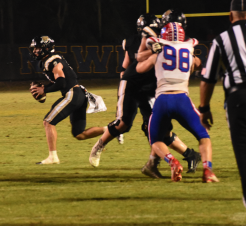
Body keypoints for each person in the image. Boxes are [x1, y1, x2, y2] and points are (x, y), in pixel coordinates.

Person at [89, 14, 201, 179]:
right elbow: (132, 62)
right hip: (133, 84)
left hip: (153, 88)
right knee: (123, 124)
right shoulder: (146, 37)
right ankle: (98, 146)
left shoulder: (173, 40)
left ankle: (156, 164)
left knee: (158, 128)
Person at [136, 22, 219, 183]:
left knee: (155, 140)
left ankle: (172, 162)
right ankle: (208, 170)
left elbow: (139, 68)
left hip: (162, 100)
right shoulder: (189, 52)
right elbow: (198, 66)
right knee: (203, 136)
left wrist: (150, 52)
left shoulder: (157, 53)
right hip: (182, 100)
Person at [29, 36, 105, 164]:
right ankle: (111, 129)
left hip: (73, 94)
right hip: (79, 94)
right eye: (34, 48)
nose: (35, 51)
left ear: (46, 48)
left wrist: (44, 90)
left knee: (48, 122)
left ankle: (53, 157)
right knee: (79, 133)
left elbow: (62, 82)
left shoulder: (51, 60)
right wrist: (44, 87)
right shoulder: (51, 59)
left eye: (38, 48)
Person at [199, 0, 246, 204]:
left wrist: (204, 108)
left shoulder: (222, 39)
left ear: (230, 16)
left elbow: (208, 79)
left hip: (239, 99)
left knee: (243, 153)